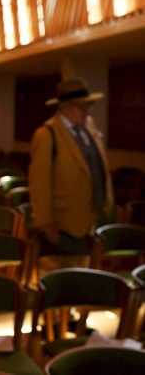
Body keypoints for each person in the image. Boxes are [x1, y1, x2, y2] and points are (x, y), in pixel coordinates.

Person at [28, 77, 114, 259]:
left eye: (87, 106)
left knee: (87, 276)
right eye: (82, 107)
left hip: (93, 218)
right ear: (66, 108)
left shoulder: (88, 127)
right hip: (64, 224)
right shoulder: (47, 134)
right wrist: (46, 223)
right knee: (66, 278)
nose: (86, 111)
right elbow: (39, 184)